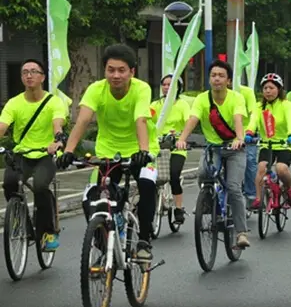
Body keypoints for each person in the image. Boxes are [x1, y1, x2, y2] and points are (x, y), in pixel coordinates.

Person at [58, 44, 160, 260]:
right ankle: (104, 241)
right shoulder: (96, 89)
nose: (116, 75)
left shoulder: (141, 89)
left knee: (147, 185)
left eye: (121, 70)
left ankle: (143, 239)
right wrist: (67, 151)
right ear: (104, 70)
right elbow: (84, 119)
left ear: (132, 72)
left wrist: (143, 152)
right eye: (111, 70)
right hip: (107, 151)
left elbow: (140, 120)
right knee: (92, 198)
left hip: (141, 149)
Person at [175, 60, 250, 248]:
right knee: (203, 173)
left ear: (229, 81)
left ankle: (241, 232)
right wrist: (182, 139)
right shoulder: (202, 99)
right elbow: (193, 119)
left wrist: (239, 138)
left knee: (233, 187)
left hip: (234, 148)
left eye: (221, 76)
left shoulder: (236, 98)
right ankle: (208, 201)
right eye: (213, 75)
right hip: (213, 147)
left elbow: (237, 118)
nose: (217, 79)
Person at [0, 59, 67, 251]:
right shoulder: (14, 103)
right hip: (23, 154)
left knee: (40, 186)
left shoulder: (54, 101)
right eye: (24, 72)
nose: (29, 75)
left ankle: (48, 231)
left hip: (46, 153)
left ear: (42, 77)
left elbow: (57, 124)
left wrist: (57, 141)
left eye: (33, 71)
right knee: (11, 183)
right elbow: (3, 126)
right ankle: (23, 224)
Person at [247, 73, 291, 209]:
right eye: (265, 88)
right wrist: (249, 133)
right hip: (267, 144)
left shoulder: (286, 105)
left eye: (271, 88)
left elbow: (290, 121)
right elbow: (253, 122)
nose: (268, 91)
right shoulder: (259, 107)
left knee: (281, 169)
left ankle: (288, 188)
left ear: (279, 89)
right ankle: (258, 199)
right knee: (262, 168)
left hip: (285, 144)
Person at [150, 74, 189, 224]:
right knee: (150, 177)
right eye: (164, 85)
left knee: (173, 175)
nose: (166, 87)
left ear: (178, 88)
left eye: (170, 85)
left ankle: (178, 209)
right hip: (157, 146)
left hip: (176, 147)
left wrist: (181, 138)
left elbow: (188, 122)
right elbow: (146, 118)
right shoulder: (156, 105)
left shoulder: (182, 104)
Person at [238, 85, 259, 208]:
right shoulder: (213, 93)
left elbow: (254, 114)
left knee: (250, 160)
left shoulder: (246, 92)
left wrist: (250, 131)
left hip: (246, 134)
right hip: (225, 135)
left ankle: (251, 194)